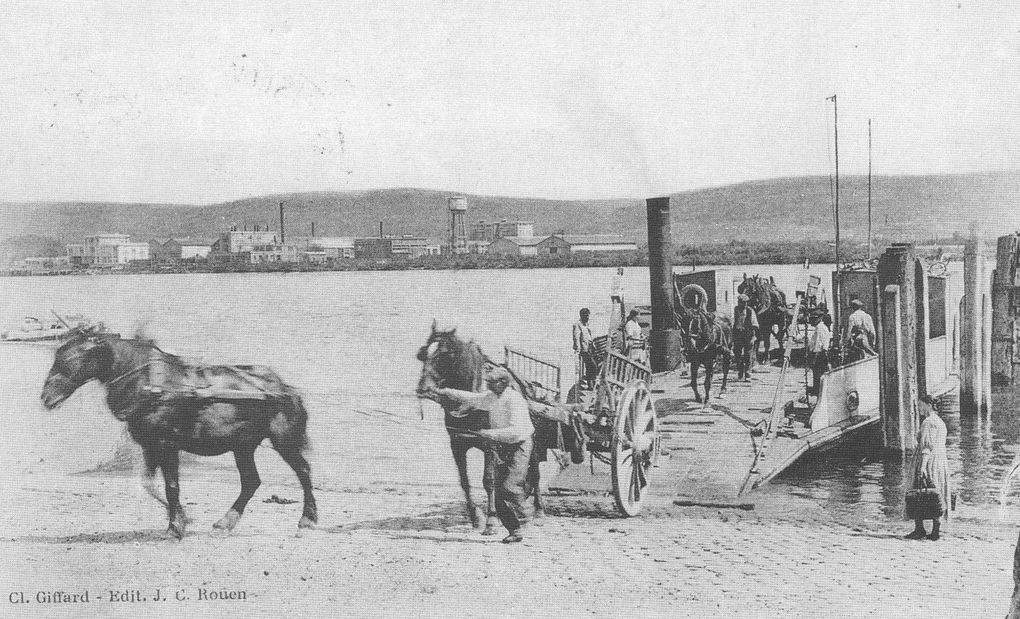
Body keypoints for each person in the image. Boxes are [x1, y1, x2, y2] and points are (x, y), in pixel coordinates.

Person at [436, 366, 535, 544]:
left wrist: (491, 434)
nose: (487, 385)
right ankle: (515, 530)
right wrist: (447, 392)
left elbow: (516, 430)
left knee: (509, 487)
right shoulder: (491, 397)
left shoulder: (514, 400)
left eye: (490, 382)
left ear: (501, 383)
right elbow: (473, 398)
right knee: (498, 497)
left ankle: (527, 514)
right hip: (503, 447)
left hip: (520, 445)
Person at [904, 395, 952, 541]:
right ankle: (936, 530)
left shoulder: (928, 422)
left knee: (919, 491)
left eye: (920, 405)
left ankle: (920, 529)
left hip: (930, 461)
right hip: (940, 461)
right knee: (936, 493)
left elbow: (926, 447)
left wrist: (922, 467)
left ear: (928, 405)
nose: (919, 409)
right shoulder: (940, 421)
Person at [732, 294, 758, 382]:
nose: (745, 304)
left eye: (746, 302)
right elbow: (732, 322)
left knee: (748, 355)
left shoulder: (750, 311)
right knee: (737, 355)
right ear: (739, 302)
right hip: (738, 335)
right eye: (743, 303)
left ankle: (747, 374)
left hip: (748, 335)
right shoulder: (735, 310)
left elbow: (754, 325)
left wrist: (752, 337)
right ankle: (740, 373)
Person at [806, 313, 831, 397]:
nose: (810, 322)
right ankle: (817, 392)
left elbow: (818, 345)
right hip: (819, 353)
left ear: (817, 319)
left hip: (819, 355)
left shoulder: (820, 328)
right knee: (817, 375)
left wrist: (813, 359)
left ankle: (818, 393)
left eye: (812, 319)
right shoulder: (819, 327)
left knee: (818, 375)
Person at [573, 308, 597, 389]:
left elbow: (590, 335)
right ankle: (591, 384)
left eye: (588, 316)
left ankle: (591, 385)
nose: (588, 317)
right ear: (582, 316)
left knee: (590, 366)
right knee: (592, 366)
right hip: (584, 349)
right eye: (586, 316)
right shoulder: (578, 324)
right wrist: (578, 349)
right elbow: (576, 337)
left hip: (590, 347)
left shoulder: (586, 324)